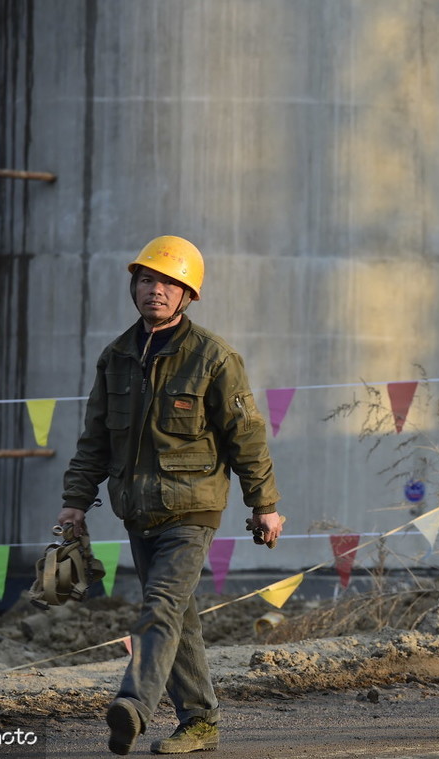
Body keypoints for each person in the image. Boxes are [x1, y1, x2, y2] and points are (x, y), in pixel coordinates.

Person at [57, 236, 284, 755]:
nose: (154, 290)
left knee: (160, 605)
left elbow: (246, 436)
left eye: (168, 283)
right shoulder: (116, 356)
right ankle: (200, 721)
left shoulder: (214, 357)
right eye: (146, 279)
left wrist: (264, 505)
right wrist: (75, 500)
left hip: (192, 507)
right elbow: (95, 439)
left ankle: (133, 707)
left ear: (187, 295)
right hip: (137, 509)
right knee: (177, 617)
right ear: (134, 286)